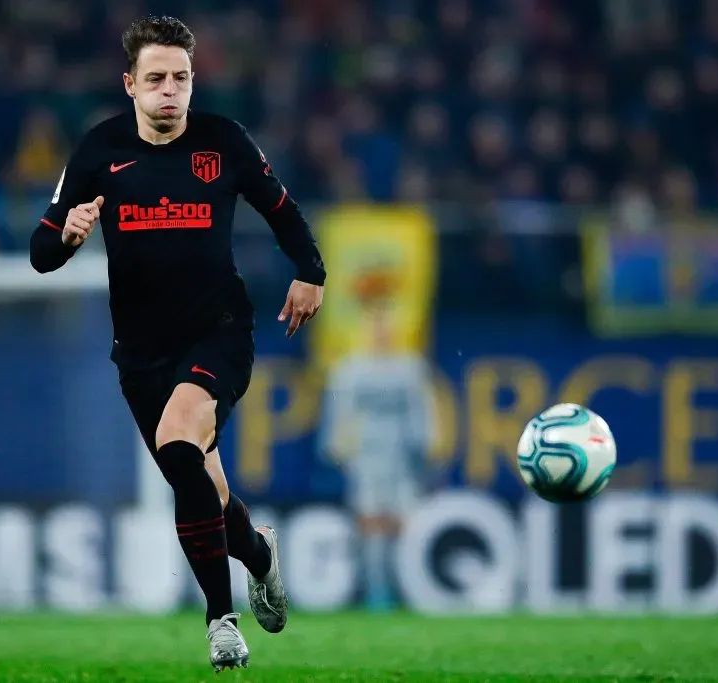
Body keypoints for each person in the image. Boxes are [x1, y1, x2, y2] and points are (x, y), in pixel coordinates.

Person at [28, 15, 325, 672]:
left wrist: (311, 272)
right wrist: (67, 236)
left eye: (181, 78)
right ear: (130, 84)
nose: (170, 90)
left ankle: (221, 621)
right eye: (157, 78)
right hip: (140, 354)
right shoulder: (100, 150)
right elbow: (40, 252)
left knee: (180, 443)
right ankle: (260, 555)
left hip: (219, 332)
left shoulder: (224, 142)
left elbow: (282, 210)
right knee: (202, 489)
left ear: (193, 81)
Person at [320, 304, 436, 610]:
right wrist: (338, 449)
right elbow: (339, 413)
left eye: (387, 325)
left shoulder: (410, 367)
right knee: (370, 521)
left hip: (400, 457)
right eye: (376, 326)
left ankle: (405, 587)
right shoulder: (351, 369)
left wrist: (424, 447)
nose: (382, 333)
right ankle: (376, 590)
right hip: (366, 456)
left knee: (402, 520)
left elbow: (421, 411)